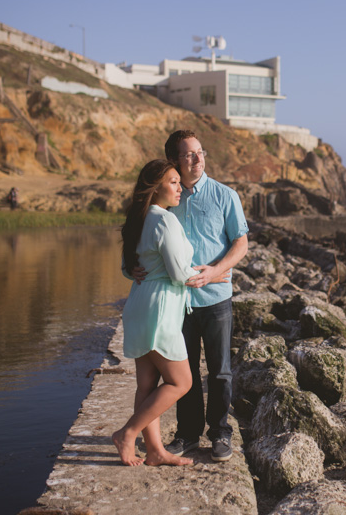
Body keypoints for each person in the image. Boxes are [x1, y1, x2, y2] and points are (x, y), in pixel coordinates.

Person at [136, 130, 248, 463]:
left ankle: (220, 433)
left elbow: (240, 244)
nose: (197, 159)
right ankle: (187, 434)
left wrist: (216, 270)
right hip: (176, 301)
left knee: (220, 371)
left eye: (200, 152)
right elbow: (140, 241)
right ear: (174, 160)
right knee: (180, 374)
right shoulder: (166, 196)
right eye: (188, 155)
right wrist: (132, 268)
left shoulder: (226, 195)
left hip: (216, 297)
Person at [110, 159, 202, 467]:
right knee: (181, 382)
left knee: (147, 385)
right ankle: (128, 433)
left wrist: (141, 271)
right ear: (155, 187)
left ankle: (154, 451)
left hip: (140, 302)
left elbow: (127, 268)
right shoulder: (164, 220)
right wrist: (208, 274)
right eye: (173, 182)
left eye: (179, 182)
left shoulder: (139, 218)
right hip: (160, 308)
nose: (180, 187)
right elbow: (178, 273)